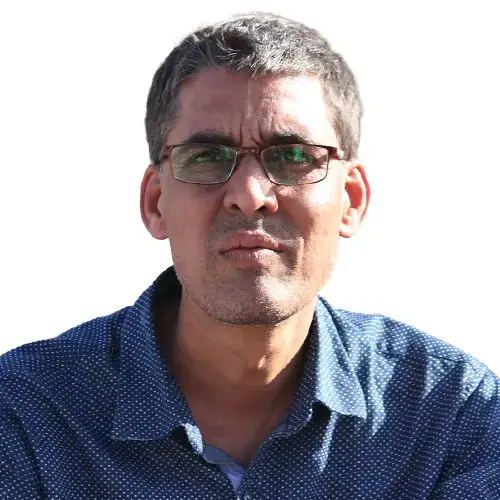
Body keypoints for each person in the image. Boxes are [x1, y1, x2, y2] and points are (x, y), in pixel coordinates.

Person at [1, 11, 499, 500]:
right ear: (155, 203)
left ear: (351, 200)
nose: (250, 195)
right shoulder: (27, 415)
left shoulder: (450, 414)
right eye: (206, 157)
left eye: (294, 156)